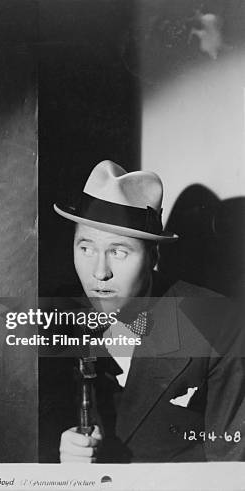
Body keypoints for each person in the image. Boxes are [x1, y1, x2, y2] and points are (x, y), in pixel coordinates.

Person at [50, 160, 245, 462]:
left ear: (153, 255)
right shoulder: (57, 316)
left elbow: (231, 466)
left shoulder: (220, 323)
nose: (99, 273)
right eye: (86, 248)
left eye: (118, 251)